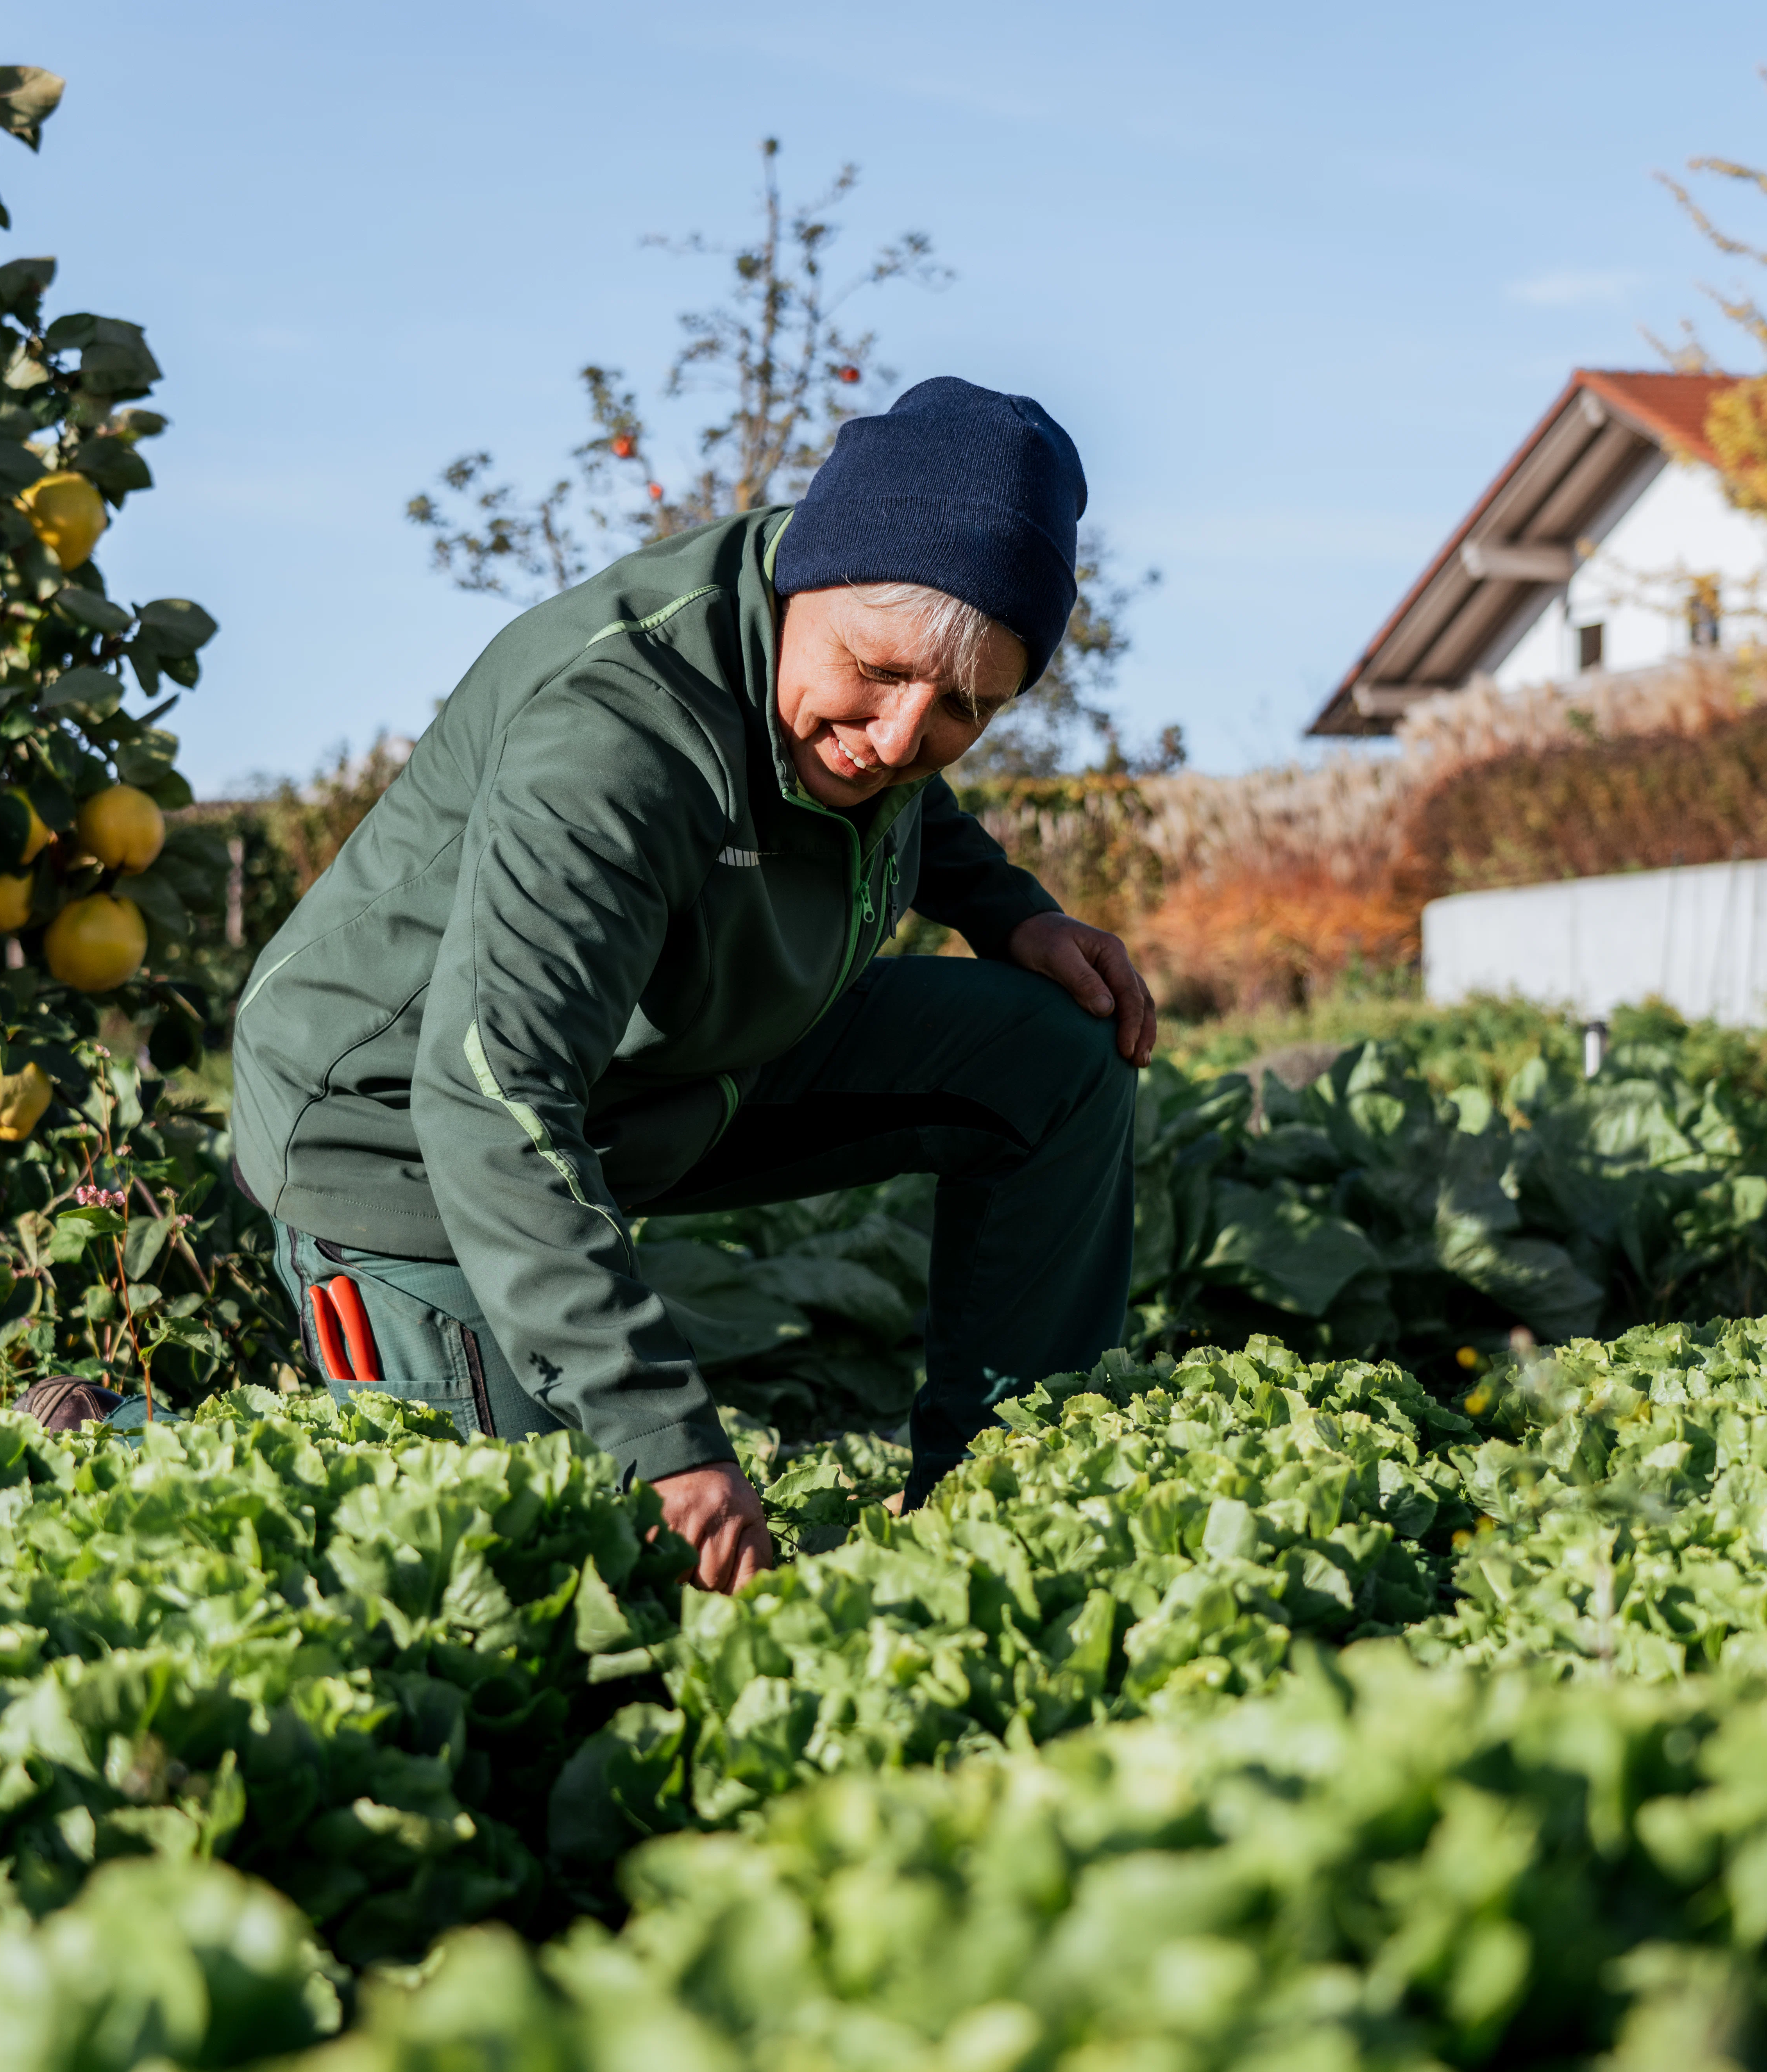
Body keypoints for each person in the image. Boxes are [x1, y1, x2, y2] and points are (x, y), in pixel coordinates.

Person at [229, 377, 1155, 1592]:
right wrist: (664, 1435)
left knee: (1053, 1056)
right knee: (522, 1574)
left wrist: (1009, 914)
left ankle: (1005, 1504)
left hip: (675, 1061)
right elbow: (490, 1095)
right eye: (875, 673)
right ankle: (116, 1444)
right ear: (805, 582)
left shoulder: (859, 637)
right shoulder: (613, 741)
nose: (894, 740)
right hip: (406, 1132)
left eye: (966, 709)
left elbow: (906, 781)